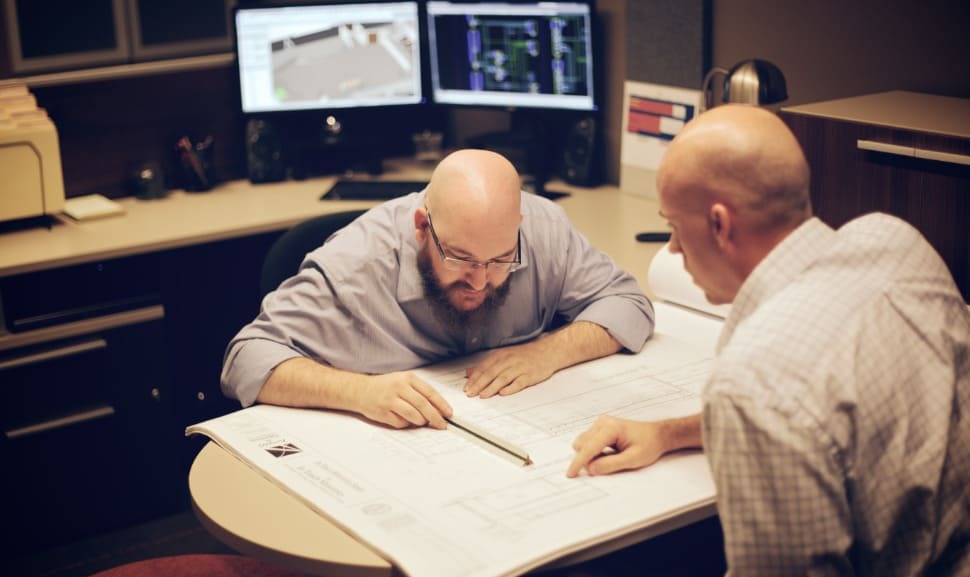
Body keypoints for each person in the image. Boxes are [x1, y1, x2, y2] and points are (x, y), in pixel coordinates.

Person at [568, 104, 969, 575]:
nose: (673, 249)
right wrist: (668, 433)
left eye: (675, 226)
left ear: (720, 225)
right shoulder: (897, 242)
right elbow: (836, 417)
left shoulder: (753, 379)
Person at [221, 148, 655, 430]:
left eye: (501, 259)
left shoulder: (542, 229)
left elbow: (628, 303)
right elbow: (246, 358)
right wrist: (360, 392)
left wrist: (549, 352)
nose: (481, 281)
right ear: (422, 227)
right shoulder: (356, 263)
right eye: (462, 258)